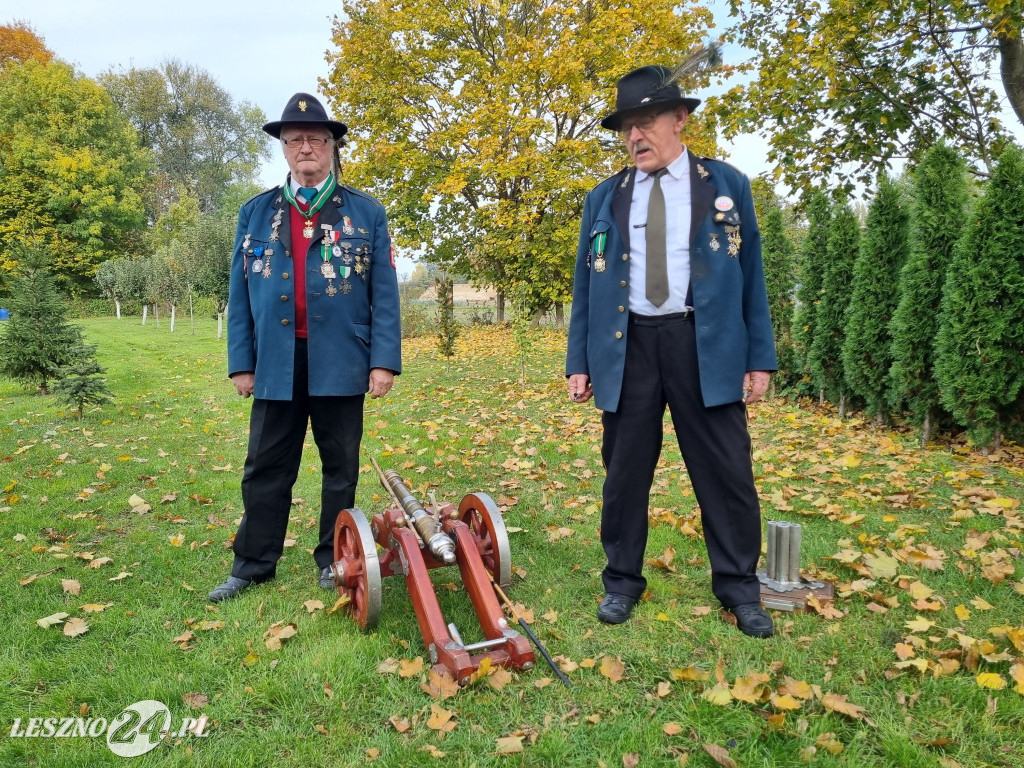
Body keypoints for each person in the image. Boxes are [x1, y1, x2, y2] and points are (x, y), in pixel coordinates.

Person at [565, 66, 777, 637]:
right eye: (626, 126)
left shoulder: (726, 185)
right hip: (627, 344)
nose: (635, 136)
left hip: (703, 344)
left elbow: (751, 275)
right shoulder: (605, 198)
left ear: (679, 119)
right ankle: (621, 582)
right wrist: (578, 361)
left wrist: (759, 356)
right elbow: (585, 286)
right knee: (625, 473)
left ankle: (739, 588)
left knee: (726, 470)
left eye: (646, 122)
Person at [209, 93, 401, 603]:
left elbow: (384, 293)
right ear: (284, 149)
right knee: (266, 467)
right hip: (276, 361)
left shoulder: (366, 213)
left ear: (333, 147)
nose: (306, 147)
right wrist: (240, 363)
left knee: (341, 466)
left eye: (317, 138)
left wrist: (383, 361)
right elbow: (240, 295)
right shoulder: (255, 214)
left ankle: (336, 558)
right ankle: (253, 564)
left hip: (341, 360)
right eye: (295, 140)